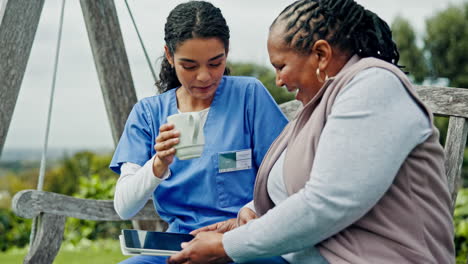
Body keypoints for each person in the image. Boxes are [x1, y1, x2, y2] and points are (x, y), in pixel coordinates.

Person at [168, 0, 456, 263]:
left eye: (281, 66)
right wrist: (252, 210)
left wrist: (226, 245)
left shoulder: (374, 87)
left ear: (320, 54)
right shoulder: (321, 108)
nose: (278, 80)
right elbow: (310, 184)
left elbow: (326, 203)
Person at [109, 1, 289, 264]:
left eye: (215, 63)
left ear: (226, 52)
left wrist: (245, 222)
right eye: (190, 66)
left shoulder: (249, 96)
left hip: (244, 240)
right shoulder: (148, 114)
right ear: (169, 57)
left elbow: (287, 176)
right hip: (180, 246)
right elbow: (125, 207)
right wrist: (158, 165)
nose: (204, 77)